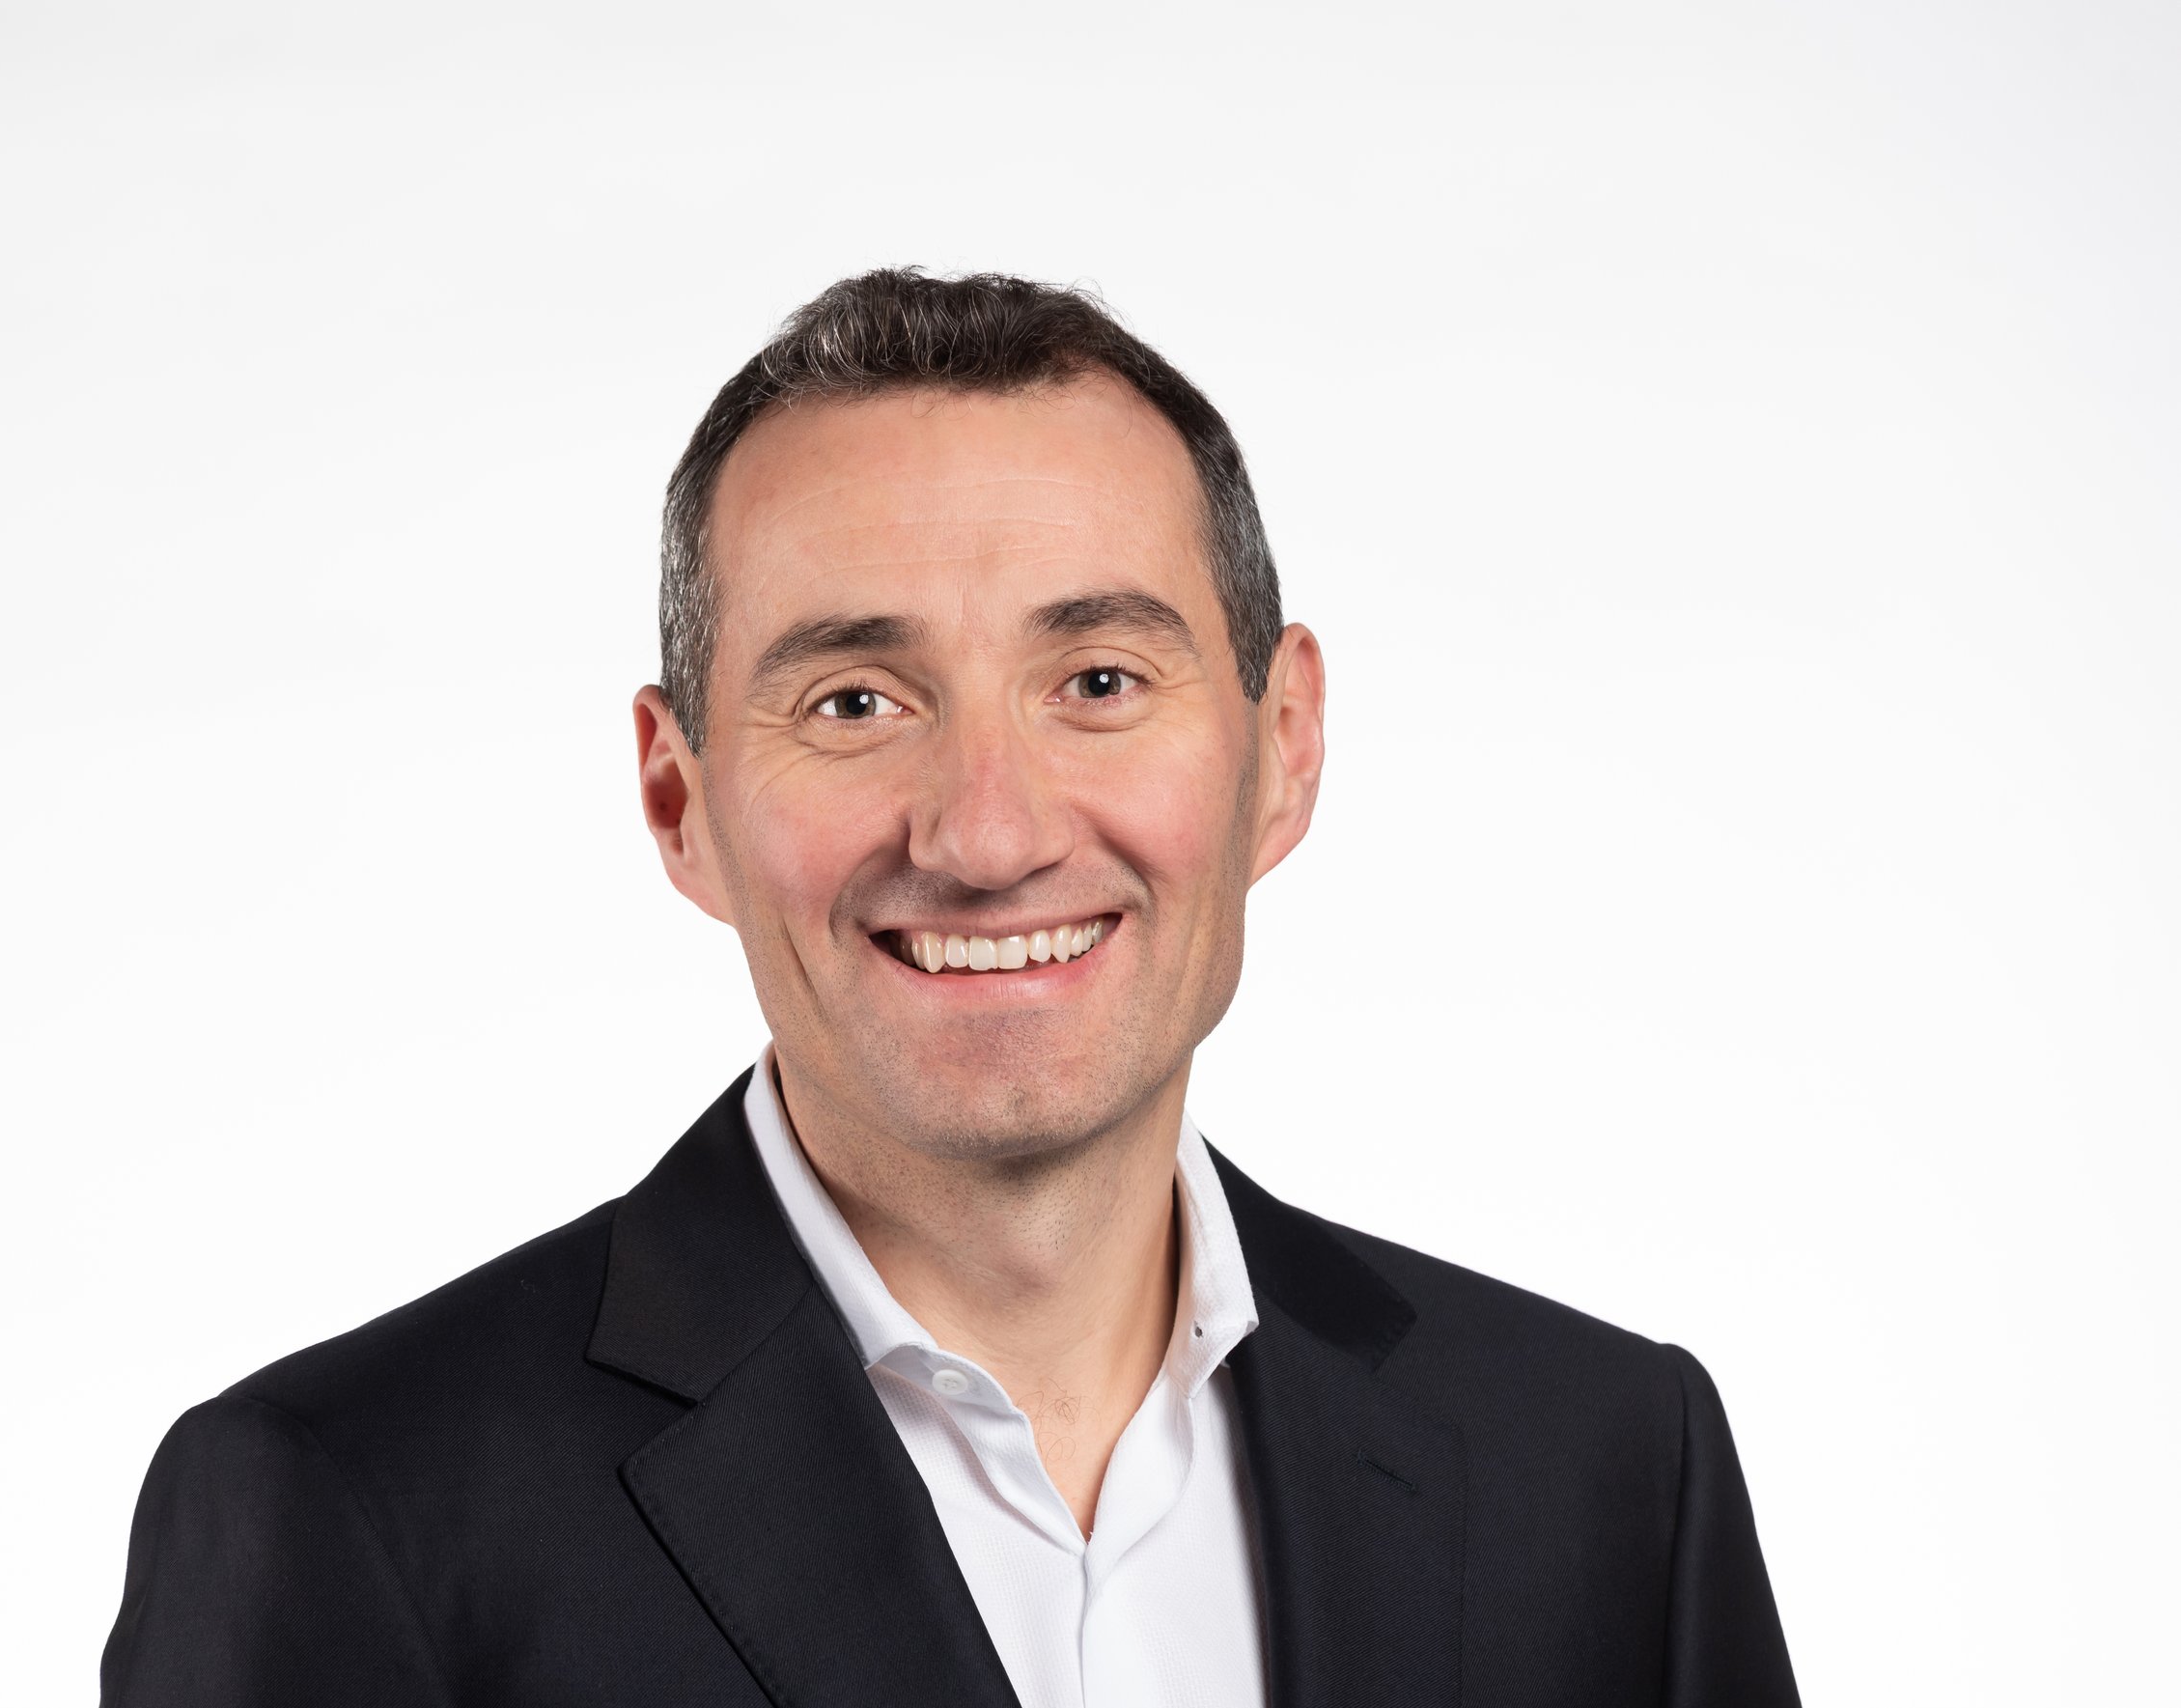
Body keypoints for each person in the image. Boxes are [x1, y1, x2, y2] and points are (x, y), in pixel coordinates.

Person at [100, 269, 1800, 1707]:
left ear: (1283, 750)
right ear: (680, 800)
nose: (988, 834)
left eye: (1101, 678)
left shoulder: (1603, 1470)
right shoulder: (349, 1509)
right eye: (854, 702)